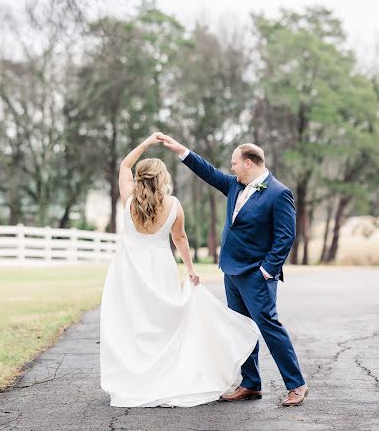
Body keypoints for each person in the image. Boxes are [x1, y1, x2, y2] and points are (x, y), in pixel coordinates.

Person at [99, 132, 260, 408]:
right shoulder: (173, 206)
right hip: (160, 269)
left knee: (133, 323)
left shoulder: (127, 201)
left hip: (128, 272)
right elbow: (180, 239)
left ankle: (136, 378)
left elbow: (124, 166)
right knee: (163, 323)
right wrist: (190, 269)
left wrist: (148, 142)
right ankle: (164, 374)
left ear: (140, 179)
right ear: (162, 180)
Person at [160, 134, 308, 407]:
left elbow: (285, 236)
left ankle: (296, 384)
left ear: (249, 163)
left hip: (257, 274)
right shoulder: (234, 186)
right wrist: (182, 150)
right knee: (241, 327)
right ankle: (251, 383)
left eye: (235, 163)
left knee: (269, 326)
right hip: (232, 271)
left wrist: (267, 270)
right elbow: (208, 171)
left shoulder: (278, 193)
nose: (231, 168)